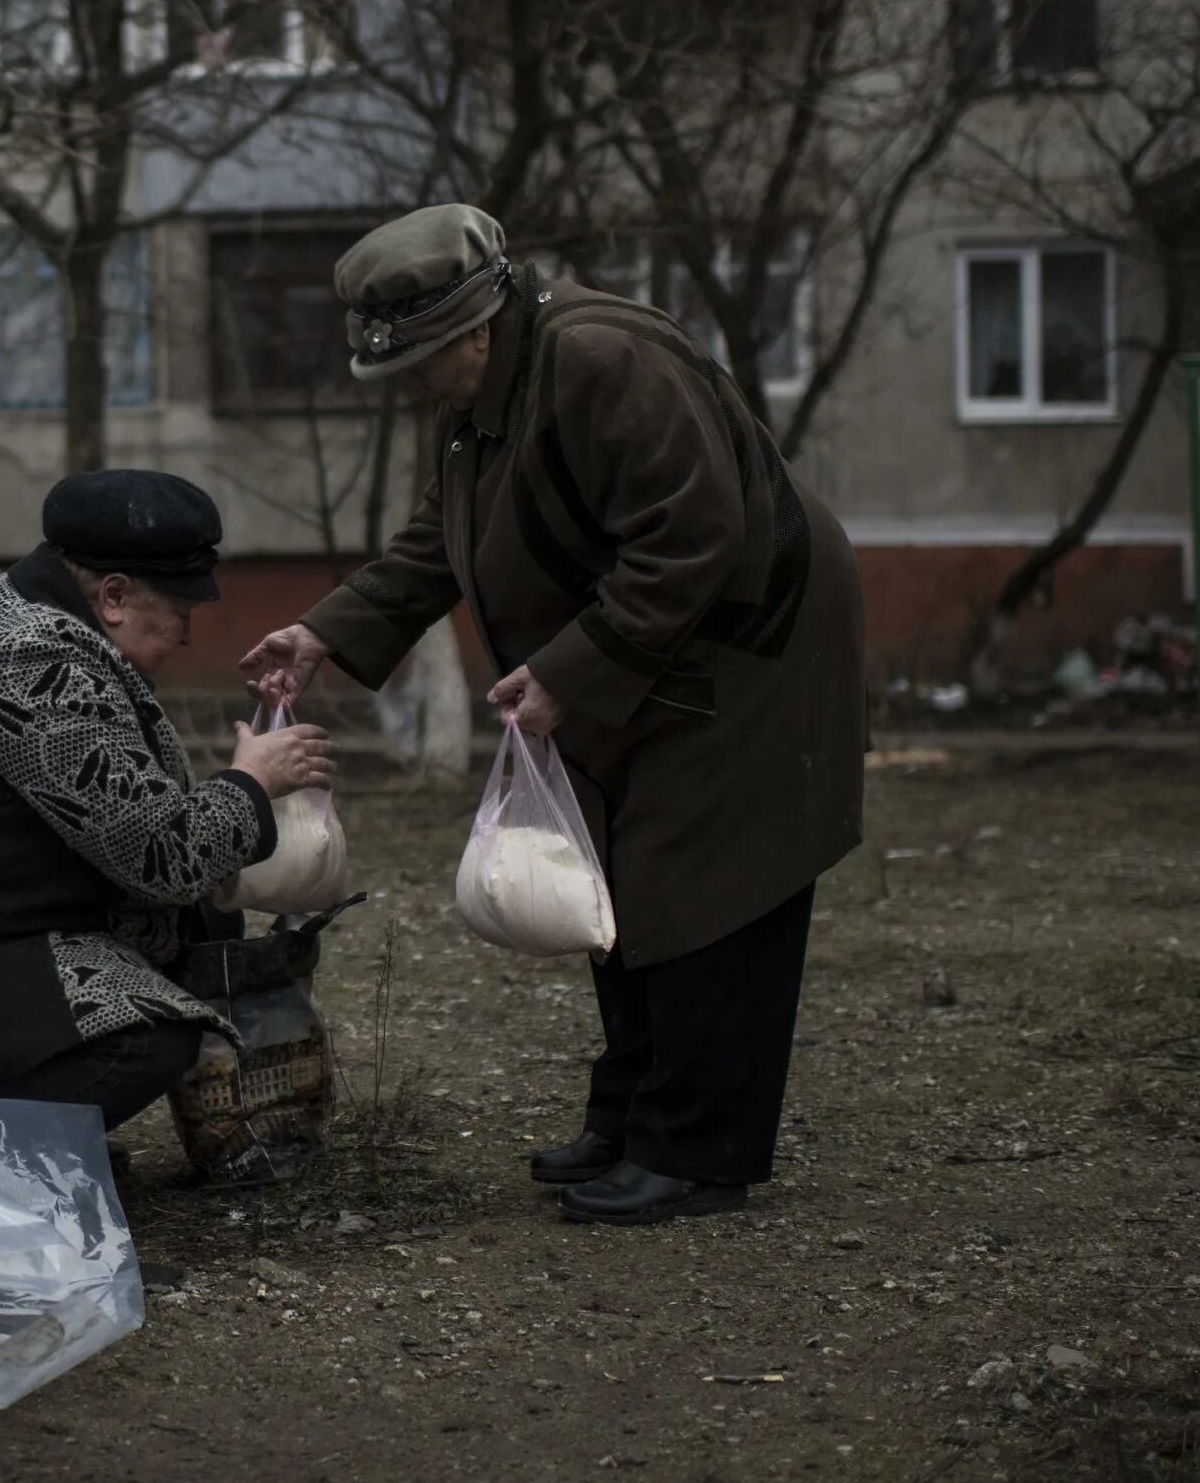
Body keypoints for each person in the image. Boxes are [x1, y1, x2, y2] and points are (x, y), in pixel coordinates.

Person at [241, 206, 866, 1227]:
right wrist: (327, 632)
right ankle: (630, 1119)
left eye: (418, 365)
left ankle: (697, 1150)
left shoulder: (600, 359)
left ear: (473, 330)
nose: (408, 391)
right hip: (649, 647)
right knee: (611, 874)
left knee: (705, 887)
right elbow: (448, 537)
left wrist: (570, 670)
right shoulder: (489, 384)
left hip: (750, 650)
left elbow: (693, 533)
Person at [0, 472, 334, 1124]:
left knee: (205, 928)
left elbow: (122, 808)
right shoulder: (36, 657)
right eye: (179, 613)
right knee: (148, 1037)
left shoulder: (14, 613)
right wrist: (253, 782)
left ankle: (25, 1124)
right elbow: (162, 856)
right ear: (114, 595)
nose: (186, 638)